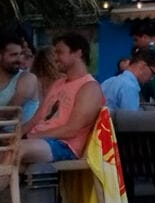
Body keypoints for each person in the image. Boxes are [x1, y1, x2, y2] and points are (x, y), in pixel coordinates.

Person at [16, 33, 105, 165]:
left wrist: (30, 137)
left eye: (59, 52)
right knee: (8, 147)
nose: (55, 58)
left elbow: (71, 130)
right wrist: (15, 136)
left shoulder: (90, 87)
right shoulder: (58, 83)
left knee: (15, 150)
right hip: (40, 141)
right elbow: (36, 119)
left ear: (78, 53)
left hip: (63, 145)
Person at [100, 47, 155, 112]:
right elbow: (131, 120)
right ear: (143, 66)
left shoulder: (108, 81)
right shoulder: (130, 87)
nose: (152, 78)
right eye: (153, 73)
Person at [0, 32, 41, 124]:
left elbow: (8, 113)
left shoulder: (27, 78)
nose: (19, 60)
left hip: (22, 136)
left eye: (20, 54)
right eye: (13, 55)